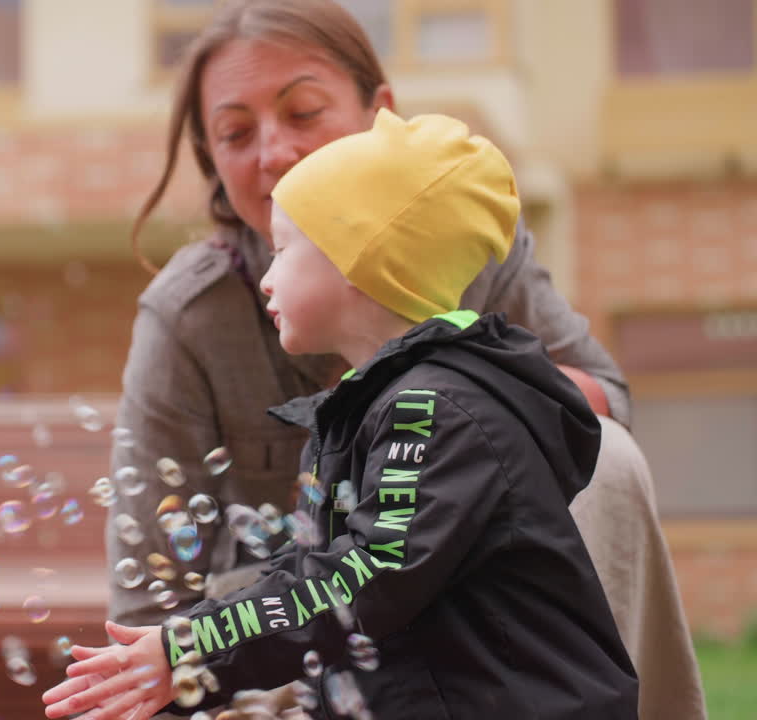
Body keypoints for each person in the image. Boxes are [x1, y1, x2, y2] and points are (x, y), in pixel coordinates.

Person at [102, 1, 702, 716]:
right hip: (274, 635)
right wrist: (168, 660)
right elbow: (155, 585)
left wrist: (469, 397)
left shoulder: (462, 286)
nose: (273, 153)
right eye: (235, 132)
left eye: (303, 112)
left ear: (376, 111)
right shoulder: (188, 313)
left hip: (458, 621)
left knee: (609, 458)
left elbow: (600, 401)